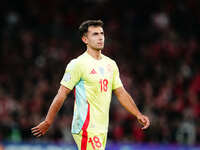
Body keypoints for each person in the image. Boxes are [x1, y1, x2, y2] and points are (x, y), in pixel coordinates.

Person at [31, 20, 150, 150]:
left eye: (102, 33)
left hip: (101, 128)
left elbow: (121, 93)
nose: (100, 37)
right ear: (85, 39)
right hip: (85, 127)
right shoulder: (78, 64)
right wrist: (48, 121)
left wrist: (138, 114)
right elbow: (62, 94)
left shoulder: (111, 64)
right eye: (95, 34)